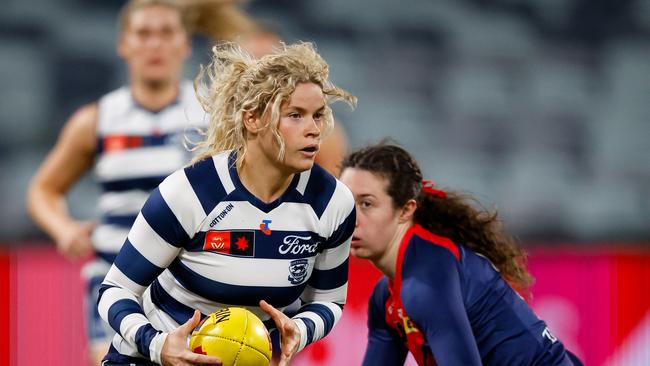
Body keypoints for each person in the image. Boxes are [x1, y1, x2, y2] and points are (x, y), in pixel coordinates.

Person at [97, 41, 357, 366]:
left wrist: (300, 329)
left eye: (318, 115)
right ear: (253, 120)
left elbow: (330, 302)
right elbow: (113, 291)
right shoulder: (190, 193)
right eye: (295, 115)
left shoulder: (333, 203)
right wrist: (157, 345)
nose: (314, 130)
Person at [26, 1, 206, 364]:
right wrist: (64, 229)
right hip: (115, 277)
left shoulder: (211, 114)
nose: (155, 44)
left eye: (166, 33)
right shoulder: (97, 120)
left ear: (185, 44)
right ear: (124, 44)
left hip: (188, 281)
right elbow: (43, 190)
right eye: (143, 34)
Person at [339, 143, 584, 366]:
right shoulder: (385, 298)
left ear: (405, 210)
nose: (352, 218)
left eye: (367, 204)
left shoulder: (425, 282)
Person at [237, 21, 351, 177]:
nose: (260, 72)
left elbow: (333, 190)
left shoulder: (320, 132)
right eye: (252, 61)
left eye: (269, 61)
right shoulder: (205, 121)